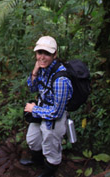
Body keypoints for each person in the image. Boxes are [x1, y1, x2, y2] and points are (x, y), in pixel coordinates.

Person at [20, 36, 73, 177]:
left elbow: (57, 112)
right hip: (41, 109)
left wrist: (34, 109)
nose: (42, 57)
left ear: (55, 55)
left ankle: (49, 172)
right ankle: (37, 163)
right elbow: (32, 88)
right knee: (33, 139)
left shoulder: (61, 80)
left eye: (47, 54)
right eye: (39, 53)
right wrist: (35, 71)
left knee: (50, 147)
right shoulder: (44, 68)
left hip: (53, 117)